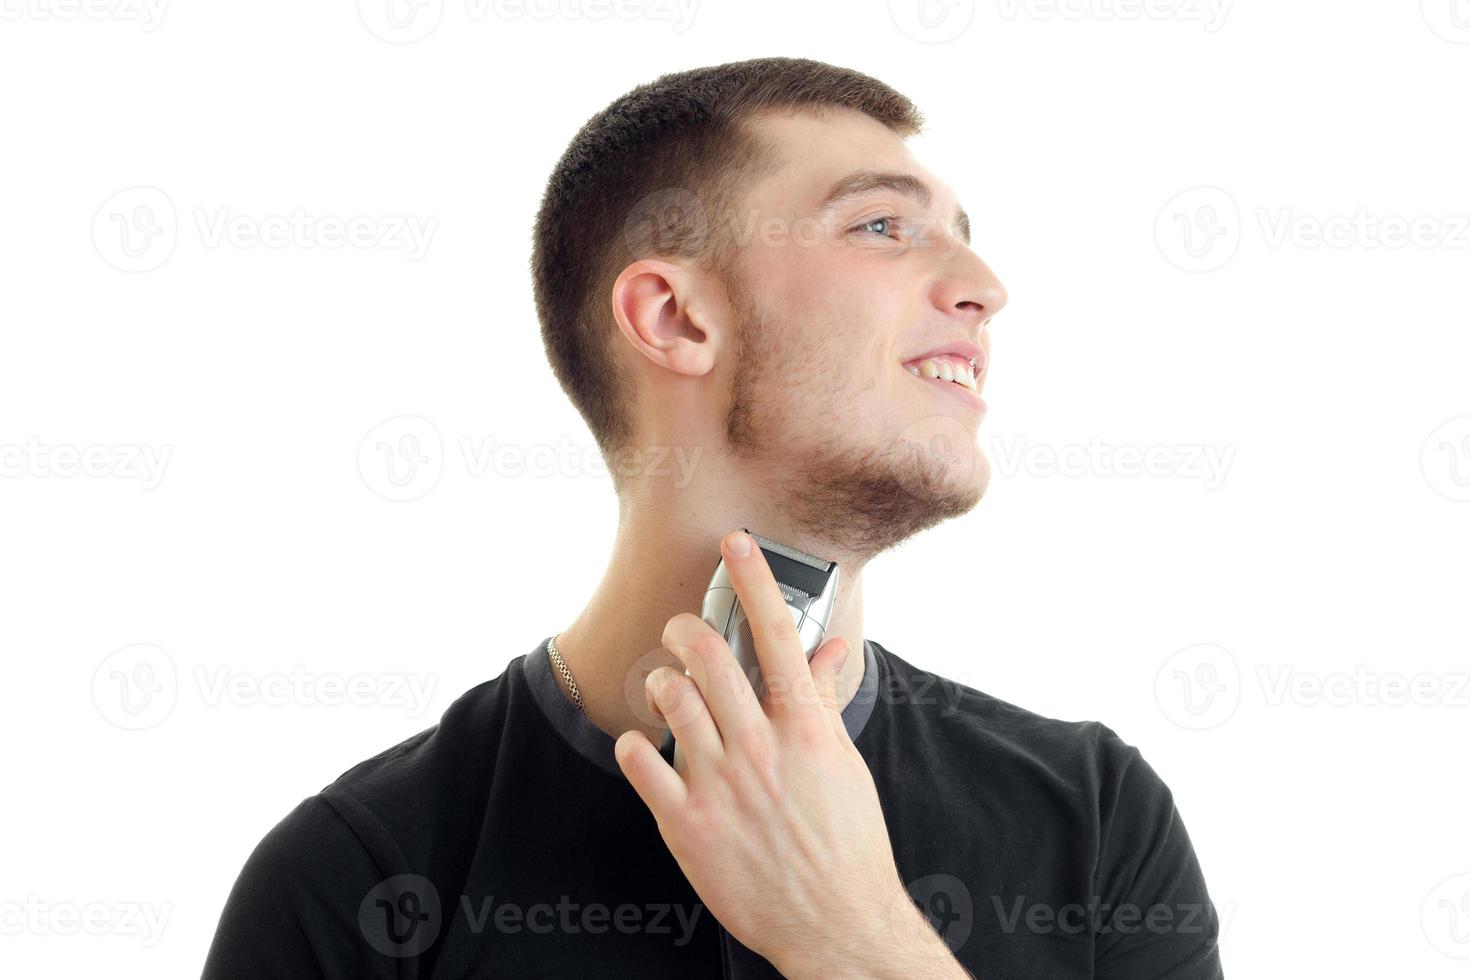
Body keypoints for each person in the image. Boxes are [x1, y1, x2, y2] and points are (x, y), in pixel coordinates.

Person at [203, 56, 1224, 978]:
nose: (986, 289)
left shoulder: (1095, 819)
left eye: (964, 239)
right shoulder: (358, 877)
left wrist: (856, 933)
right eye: (882, 225)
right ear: (675, 316)